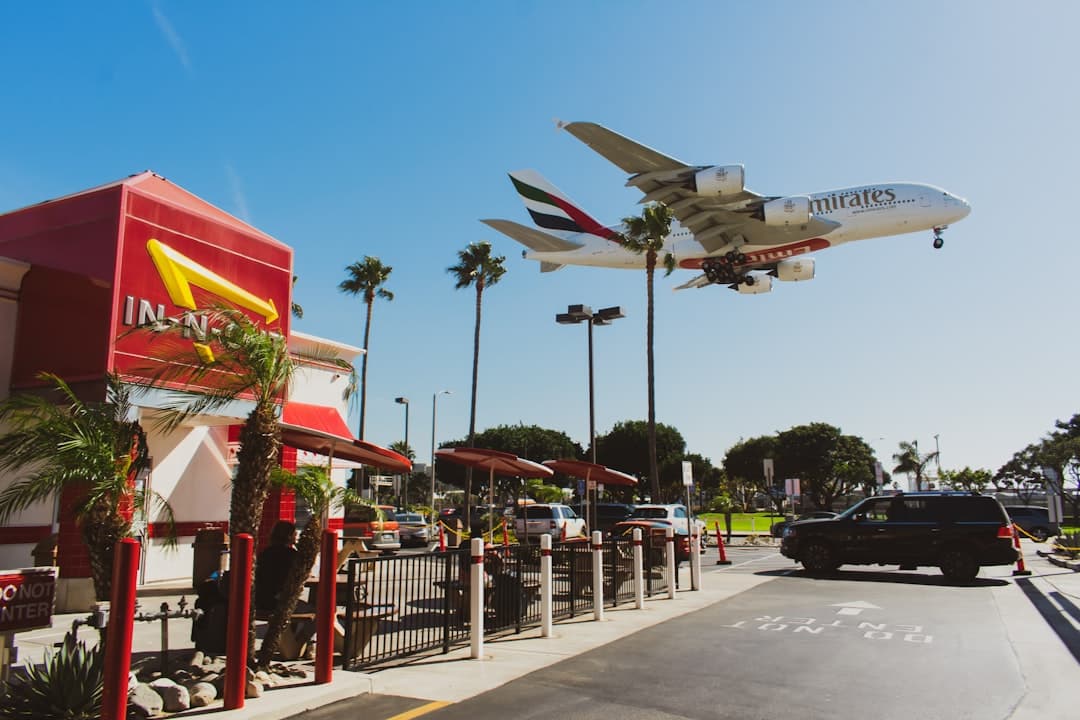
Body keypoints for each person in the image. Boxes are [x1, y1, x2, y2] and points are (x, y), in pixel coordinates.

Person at [254, 520, 316, 657]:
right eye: (295, 534)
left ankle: (295, 643)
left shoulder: (265, 553)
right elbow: (301, 576)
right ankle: (303, 642)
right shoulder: (291, 555)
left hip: (261, 600)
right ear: (290, 536)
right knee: (317, 613)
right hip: (279, 601)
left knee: (300, 607)